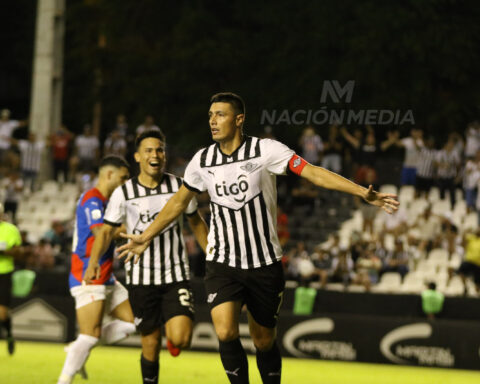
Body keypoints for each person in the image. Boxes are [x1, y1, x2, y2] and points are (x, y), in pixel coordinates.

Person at [117, 92, 399, 384]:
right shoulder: (202, 160)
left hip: (264, 264)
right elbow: (178, 202)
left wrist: (362, 193)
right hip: (222, 262)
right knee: (225, 331)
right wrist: (146, 235)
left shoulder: (266, 150)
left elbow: (312, 172)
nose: (213, 121)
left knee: (263, 339)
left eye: (221, 115)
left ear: (239, 119)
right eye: (211, 115)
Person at [86, 130, 208, 384]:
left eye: (160, 150)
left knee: (181, 338)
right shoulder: (124, 193)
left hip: (176, 274)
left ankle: (173, 336)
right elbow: (106, 231)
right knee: (150, 343)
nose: (156, 155)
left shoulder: (179, 186)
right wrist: (93, 262)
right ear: (138, 157)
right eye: (150, 150)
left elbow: (195, 222)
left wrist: (212, 255)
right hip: (141, 279)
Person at [57, 155, 134, 384]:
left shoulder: (108, 201)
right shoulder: (92, 198)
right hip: (89, 272)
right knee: (90, 335)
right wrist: (131, 229)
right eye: (123, 178)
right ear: (109, 174)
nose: (125, 183)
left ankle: (77, 349)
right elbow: (102, 231)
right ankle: (64, 379)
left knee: (131, 323)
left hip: (106, 273)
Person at [0, 202, 23, 355]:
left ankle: (9, 334)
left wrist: (3, 252)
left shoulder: (10, 229)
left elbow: (18, 253)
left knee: (2, 313)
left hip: (4, 273)